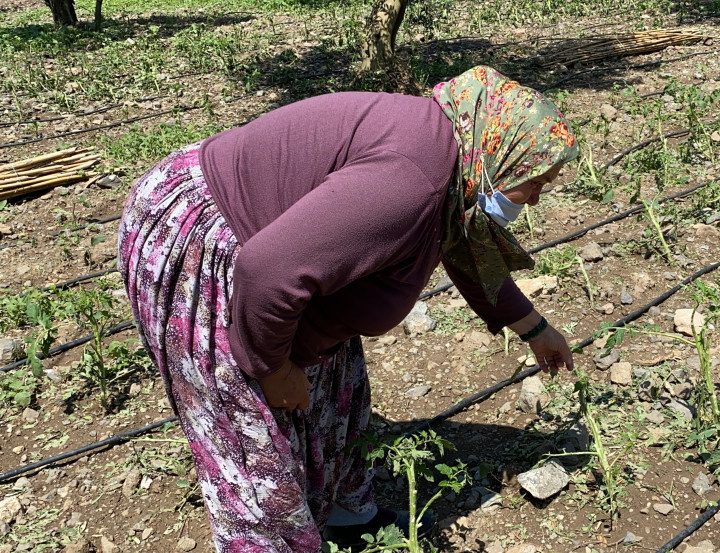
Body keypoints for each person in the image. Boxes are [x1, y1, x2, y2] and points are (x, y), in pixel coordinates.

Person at [118, 65, 579, 553]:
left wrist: (533, 327)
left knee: (334, 379)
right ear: (498, 153)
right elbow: (269, 270)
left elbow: (465, 248)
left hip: (267, 250)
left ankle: (346, 514)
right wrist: (271, 368)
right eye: (535, 182)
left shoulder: (453, 156)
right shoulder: (411, 179)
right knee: (251, 436)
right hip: (202, 238)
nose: (534, 198)